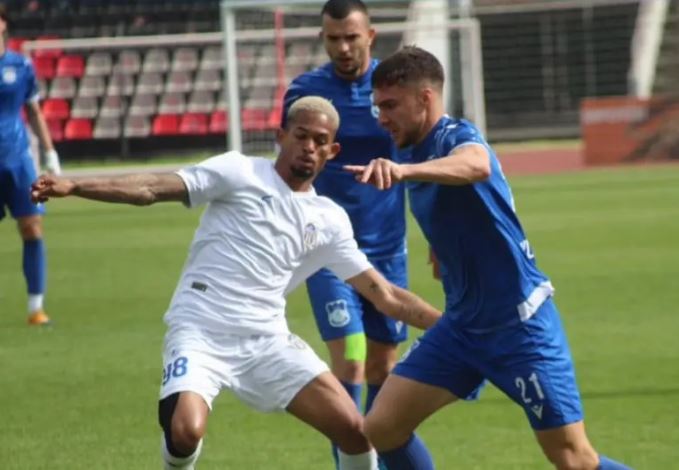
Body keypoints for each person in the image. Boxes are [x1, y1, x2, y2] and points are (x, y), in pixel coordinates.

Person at [31, 96, 442, 470]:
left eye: (320, 141)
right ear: (281, 136)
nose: (309, 147)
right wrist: (75, 184)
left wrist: (451, 329)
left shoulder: (328, 218)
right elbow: (152, 188)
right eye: (301, 136)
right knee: (186, 430)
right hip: (200, 330)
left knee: (355, 432)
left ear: (332, 150)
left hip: (266, 340)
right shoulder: (239, 171)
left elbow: (383, 294)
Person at [346, 47, 632, 470]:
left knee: (574, 459)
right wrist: (441, 248)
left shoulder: (454, 136)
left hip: (519, 328)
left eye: (390, 105)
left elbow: (476, 165)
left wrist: (404, 173)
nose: (382, 117)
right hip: (461, 330)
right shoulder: (410, 147)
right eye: (377, 107)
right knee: (382, 427)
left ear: (425, 98)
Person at [282, 3, 409, 459]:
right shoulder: (307, 94)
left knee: (382, 365)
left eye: (351, 37)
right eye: (333, 38)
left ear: (370, 36)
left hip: (387, 251)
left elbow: (417, 163)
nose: (343, 47)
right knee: (350, 363)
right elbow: (287, 169)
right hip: (328, 254)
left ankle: (382, 457)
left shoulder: (393, 90)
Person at [0, 5, 61, 326]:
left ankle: (36, 307)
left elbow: (34, 112)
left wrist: (50, 152)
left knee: (32, 228)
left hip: (17, 159)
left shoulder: (20, 65)